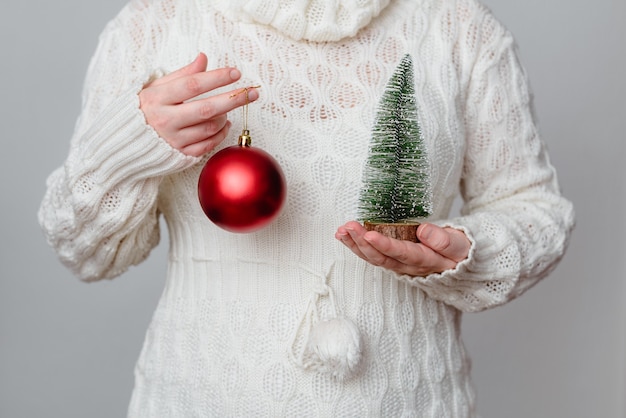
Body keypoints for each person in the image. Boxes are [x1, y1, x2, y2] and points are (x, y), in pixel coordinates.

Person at [38, 0, 575, 416]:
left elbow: (534, 208)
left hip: (412, 399)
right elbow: (87, 254)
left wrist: (467, 251)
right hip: (200, 396)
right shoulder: (155, 26)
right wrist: (129, 146)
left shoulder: (457, 26)